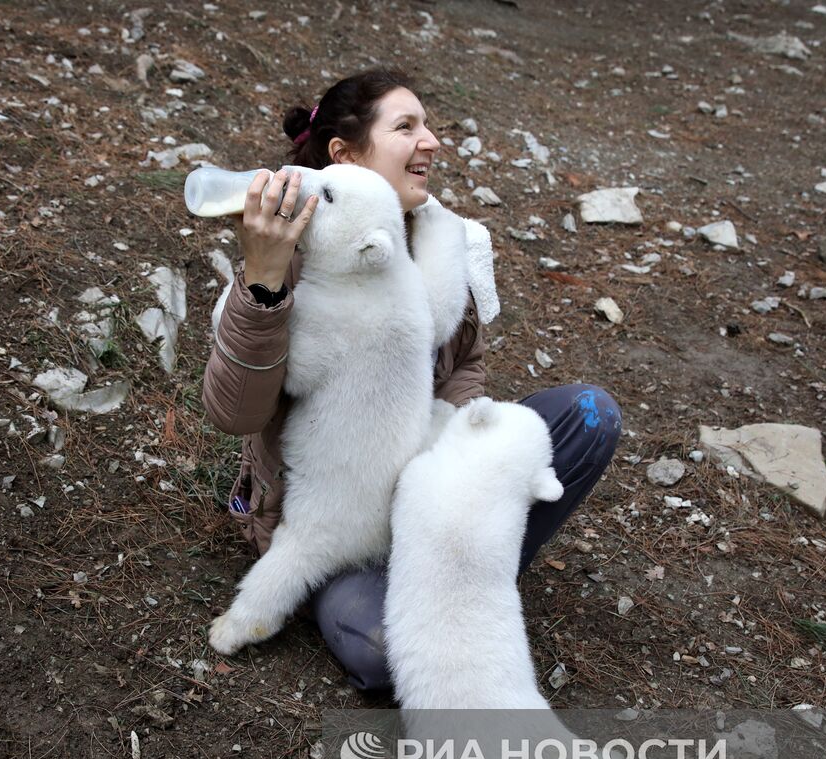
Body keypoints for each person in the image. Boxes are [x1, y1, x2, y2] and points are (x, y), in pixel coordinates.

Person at [202, 68, 623, 691]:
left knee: (589, 415)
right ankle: (437, 583)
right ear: (345, 155)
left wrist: (462, 440)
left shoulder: (446, 240)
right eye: (407, 127)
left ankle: (462, 561)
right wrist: (264, 282)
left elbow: (464, 367)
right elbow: (235, 412)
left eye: (428, 125)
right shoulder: (294, 258)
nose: (431, 141)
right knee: (378, 651)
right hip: (342, 507)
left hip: (427, 479)